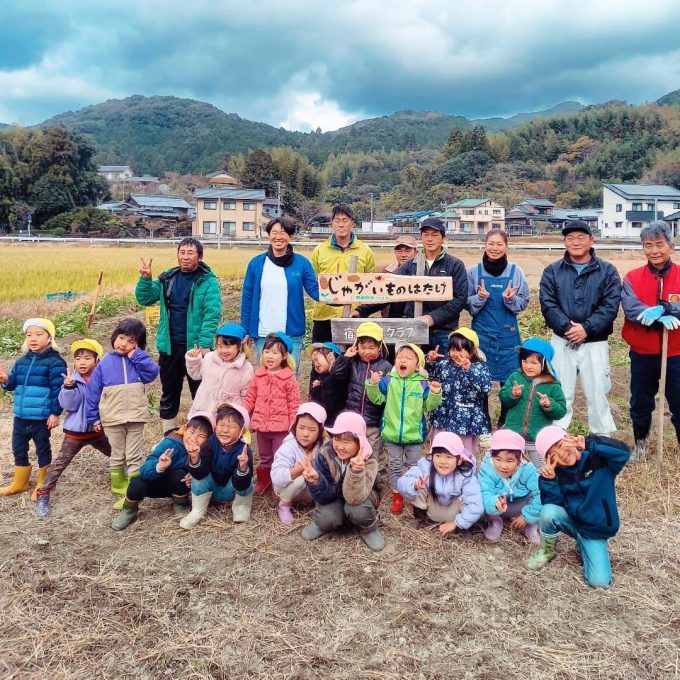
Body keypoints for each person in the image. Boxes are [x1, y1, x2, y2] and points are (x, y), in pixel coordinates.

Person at [539, 220, 621, 434]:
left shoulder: (608, 271)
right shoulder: (552, 271)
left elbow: (610, 306)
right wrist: (568, 328)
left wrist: (586, 328)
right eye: (570, 238)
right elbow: (548, 305)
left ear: (591, 240)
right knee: (560, 391)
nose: (576, 242)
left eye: (581, 237)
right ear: (564, 241)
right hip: (561, 340)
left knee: (598, 392)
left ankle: (602, 438)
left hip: (595, 341)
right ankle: (555, 437)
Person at [136, 237, 222, 434]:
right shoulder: (168, 278)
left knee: (200, 391)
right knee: (169, 390)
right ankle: (169, 433)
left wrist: (203, 344)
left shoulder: (208, 282)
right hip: (170, 346)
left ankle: (202, 432)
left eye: (190, 253)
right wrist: (145, 279)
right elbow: (145, 298)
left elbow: (211, 314)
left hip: (195, 349)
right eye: (181, 253)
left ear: (199, 257)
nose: (185, 257)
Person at [527, 425, 630, 589]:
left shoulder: (598, 460)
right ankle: (546, 552)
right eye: (553, 455)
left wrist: (589, 443)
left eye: (561, 445)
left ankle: (584, 545)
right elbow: (554, 504)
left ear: (569, 438)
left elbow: (624, 452)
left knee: (600, 583)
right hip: (574, 523)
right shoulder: (557, 474)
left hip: (595, 530)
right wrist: (549, 481)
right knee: (548, 512)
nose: (562, 455)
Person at [352, 218, 468, 351]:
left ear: (443, 238)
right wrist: (362, 310)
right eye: (426, 235)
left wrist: (433, 318)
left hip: (442, 331)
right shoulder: (410, 265)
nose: (430, 239)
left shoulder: (455, 265)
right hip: (412, 328)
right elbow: (388, 290)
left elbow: (460, 299)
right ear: (421, 238)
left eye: (434, 235)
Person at [621, 221, 680, 461]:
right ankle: (641, 445)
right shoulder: (632, 277)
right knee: (641, 401)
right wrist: (657, 316)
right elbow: (632, 308)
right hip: (643, 351)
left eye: (659, 244)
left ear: (670, 246)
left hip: (676, 351)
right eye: (648, 245)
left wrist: (668, 308)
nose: (654, 250)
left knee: (679, 401)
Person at [86, 318, 159, 509]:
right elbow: (92, 392)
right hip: (112, 417)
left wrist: (138, 356)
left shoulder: (138, 360)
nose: (124, 344)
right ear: (114, 337)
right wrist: (92, 417)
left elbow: (152, 374)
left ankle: (134, 487)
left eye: (131, 341)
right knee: (117, 454)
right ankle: (118, 485)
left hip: (136, 415)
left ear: (138, 345)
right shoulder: (104, 364)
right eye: (121, 338)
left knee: (134, 455)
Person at [35, 338, 112, 518]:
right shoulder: (71, 380)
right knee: (60, 463)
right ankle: (43, 494)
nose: (82, 362)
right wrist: (68, 388)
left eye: (87, 358)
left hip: (97, 430)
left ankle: (125, 472)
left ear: (97, 360)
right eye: (78, 358)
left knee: (115, 452)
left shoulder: (102, 379)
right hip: (75, 433)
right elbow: (69, 406)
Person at [365, 341, 442, 514]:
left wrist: (436, 393)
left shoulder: (422, 383)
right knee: (395, 466)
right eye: (400, 356)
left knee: (414, 466)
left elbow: (429, 406)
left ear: (417, 366)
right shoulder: (390, 380)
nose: (403, 360)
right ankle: (398, 496)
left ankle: (416, 494)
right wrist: (373, 384)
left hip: (414, 435)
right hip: (392, 434)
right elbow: (377, 398)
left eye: (408, 358)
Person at [467, 228, 530, 425]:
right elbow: (467, 304)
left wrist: (511, 300)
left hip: (508, 335)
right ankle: (483, 419)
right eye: (491, 244)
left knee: (509, 380)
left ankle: (505, 420)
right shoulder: (473, 272)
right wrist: (479, 298)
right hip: (482, 334)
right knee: (480, 378)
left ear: (506, 246)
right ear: (484, 245)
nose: (495, 248)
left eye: (499, 244)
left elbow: (524, 301)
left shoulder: (515, 272)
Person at [111, 411, 215, 530]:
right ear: (184, 430)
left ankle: (180, 504)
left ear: (207, 440)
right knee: (136, 483)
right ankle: (129, 510)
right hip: (154, 482)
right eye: (191, 432)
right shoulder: (171, 443)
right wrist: (160, 466)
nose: (194, 438)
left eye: (201, 436)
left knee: (180, 475)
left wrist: (193, 475)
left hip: (176, 487)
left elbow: (207, 470)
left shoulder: (205, 451)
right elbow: (145, 470)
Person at [241, 216, 319, 372]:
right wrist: (245, 330)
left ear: (291, 237)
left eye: (283, 233)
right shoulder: (256, 263)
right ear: (269, 235)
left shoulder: (301, 263)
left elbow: (316, 291)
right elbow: (247, 297)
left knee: (289, 378)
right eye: (274, 232)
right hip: (264, 333)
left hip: (292, 334)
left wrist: (341, 293)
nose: (278, 237)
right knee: (265, 379)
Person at [0, 318, 66, 499]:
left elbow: (57, 391)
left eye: (39, 334)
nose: (33, 339)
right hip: (21, 416)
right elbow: (13, 383)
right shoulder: (22, 361)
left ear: (49, 338)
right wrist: (5, 379)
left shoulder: (55, 363)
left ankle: (42, 483)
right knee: (18, 448)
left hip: (41, 418)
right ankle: (20, 482)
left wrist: (54, 413)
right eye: (29, 335)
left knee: (42, 449)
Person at [301, 411, 384, 551]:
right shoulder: (325, 454)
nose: (340, 446)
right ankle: (326, 524)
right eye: (336, 439)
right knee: (326, 517)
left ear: (359, 442)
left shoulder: (369, 460)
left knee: (358, 510)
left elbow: (354, 498)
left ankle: (369, 529)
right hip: (335, 496)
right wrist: (316, 481)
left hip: (360, 499)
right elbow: (324, 497)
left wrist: (356, 472)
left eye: (346, 441)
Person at [243, 332, 301, 494]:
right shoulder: (259, 375)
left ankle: (280, 484)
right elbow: (250, 398)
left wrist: (293, 424)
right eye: (266, 352)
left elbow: (294, 403)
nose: (269, 356)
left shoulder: (289, 378)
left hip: (281, 428)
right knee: (264, 456)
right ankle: (264, 481)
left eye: (275, 353)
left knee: (279, 456)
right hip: (261, 426)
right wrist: (242, 413)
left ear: (284, 356)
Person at [180, 403, 254, 528]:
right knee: (197, 475)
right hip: (210, 489)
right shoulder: (210, 442)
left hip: (230, 490)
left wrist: (242, 467)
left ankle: (241, 507)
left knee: (247, 476)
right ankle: (197, 510)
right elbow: (201, 472)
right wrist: (194, 457)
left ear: (241, 431)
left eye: (231, 427)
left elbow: (242, 484)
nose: (225, 430)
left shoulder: (244, 450)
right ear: (216, 426)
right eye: (221, 425)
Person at [309, 204, 376, 343]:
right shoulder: (319, 251)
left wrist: (361, 310)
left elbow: (371, 285)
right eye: (337, 220)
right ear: (332, 223)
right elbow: (313, 283)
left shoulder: (365, 251)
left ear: (352, 222)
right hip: (324, 316)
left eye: (345, 220)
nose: (341, 225)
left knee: (353, 361)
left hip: (354, 317)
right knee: (321, 360)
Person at [498, 337, 567, 469]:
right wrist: (512, 394)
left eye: (534, 363)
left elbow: (561, 410)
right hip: (514, 436)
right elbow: (503, 398)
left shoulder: (552, 385)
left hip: (538, 439)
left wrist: (549, 404)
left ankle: (538, 488)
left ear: (545, 363)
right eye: (524, 361)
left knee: (538, 469)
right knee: (513, 467)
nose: (528, 366)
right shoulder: (516, 377)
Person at [329, 321, 392, 464]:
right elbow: (336, 375)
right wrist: (345, 357)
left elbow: (389, 393)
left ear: (380, 346)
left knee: (374, 453)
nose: (367, 351)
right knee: (353, 450)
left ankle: (376, 481)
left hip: (373, 420)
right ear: (356, 346)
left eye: (371, 347)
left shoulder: (386, 367)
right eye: (362, 347)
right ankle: (353, 478)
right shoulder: (352, 362)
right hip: (353, 417)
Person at [397, 431, 483, 533]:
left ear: (459, 460)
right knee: (419, 485)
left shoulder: (466, 475)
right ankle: (420, 518)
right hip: (432, 509)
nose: (442, 461)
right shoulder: (425, 467)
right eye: (438, 456)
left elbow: (476, 506)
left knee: (468, 496)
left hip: (455, 513)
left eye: (449, 457)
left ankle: (463, 528)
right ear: (432, 456)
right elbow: (401, 482)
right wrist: (415, 486)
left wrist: (456, 523)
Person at [426, 328, 492, 455]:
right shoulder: (445, 364)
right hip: (443, 416)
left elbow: (485, 387)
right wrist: (431, 362)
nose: (456, 354)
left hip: (465, 420)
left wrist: (469, 370)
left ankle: (466, 473)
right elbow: (433, 378)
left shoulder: (479, 367)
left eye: (460, 350)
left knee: (463, 453)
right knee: (441, 451)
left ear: (472, 351)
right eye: (453, 349)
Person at [478, 429, 541, 544]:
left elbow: (541, 494)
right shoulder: (487, 466)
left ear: (519, 458)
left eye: (510, 460)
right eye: (498, 459)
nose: (503, 466)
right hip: (501, 503)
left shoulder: (528, 468)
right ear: (492, 456)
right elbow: (485, 491)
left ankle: (532, 524)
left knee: (542, 500)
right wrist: (494, 504)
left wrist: (527, 516)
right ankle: (495, 521)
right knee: (481, 499)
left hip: (521, 502)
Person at [271, 402, 327, 525]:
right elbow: (276, 478)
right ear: (295, 426)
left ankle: (319, 503)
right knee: (303, 477)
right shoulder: (288, 447)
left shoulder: (325, 445)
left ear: (320, 431)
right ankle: (284, 505)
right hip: (288, 488)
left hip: (311, 488)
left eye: (312, 429)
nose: (305, 434)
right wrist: (301, 467)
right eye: (301, 428)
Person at [185, 322, 254, 417]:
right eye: (220, 346)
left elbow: (247, 396)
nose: (224, 351)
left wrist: (241, 415)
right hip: (203, 411)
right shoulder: (209, 358)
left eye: (228, 347)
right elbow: (195, 375)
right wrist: (194, 360)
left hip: (227, 417)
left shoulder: (246, 368)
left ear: (239, 347)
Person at [307, 342, 345, 425]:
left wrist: (334, 369)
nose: (315, 365)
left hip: (336, 422)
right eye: (313, 362)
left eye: (316, 359)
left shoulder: (341, 376)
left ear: (330, 356)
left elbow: (334, 382)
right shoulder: (320, 378)